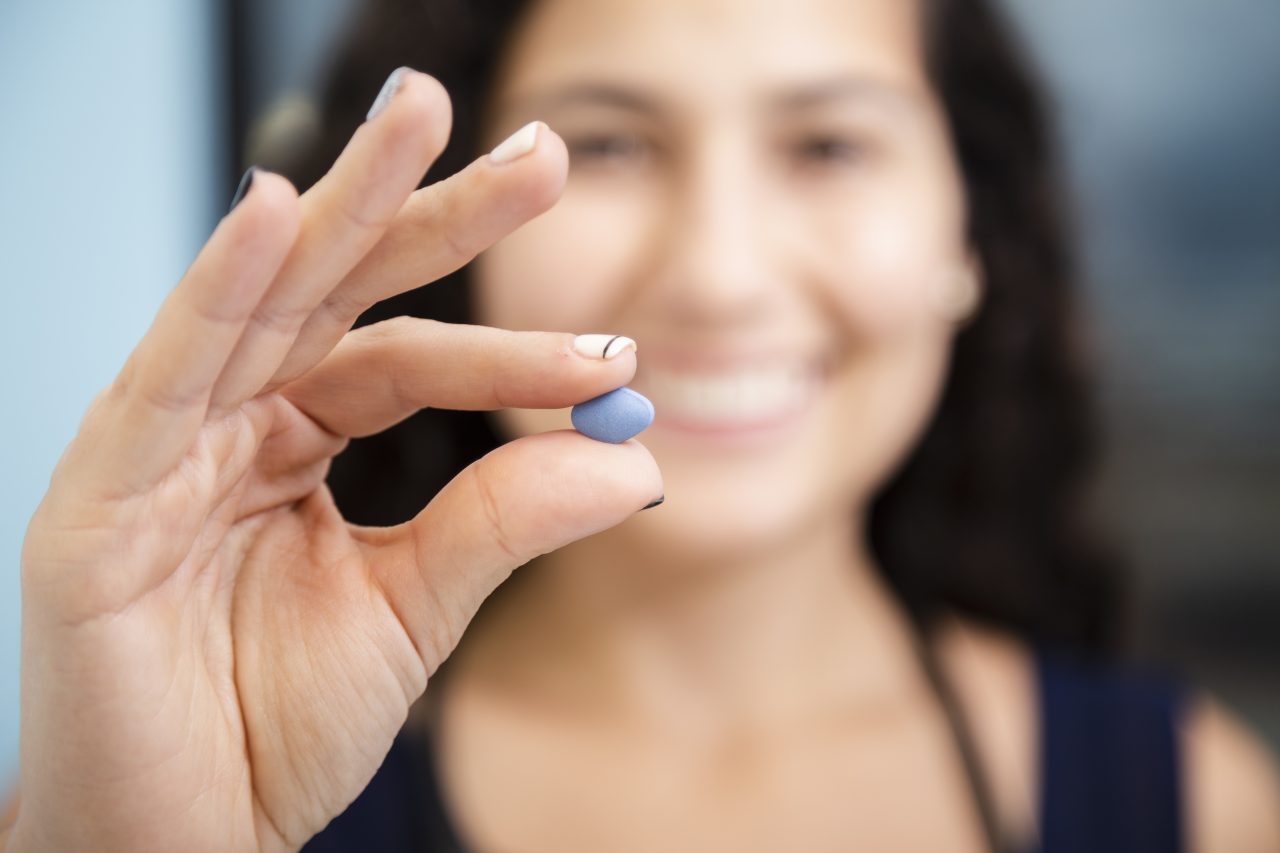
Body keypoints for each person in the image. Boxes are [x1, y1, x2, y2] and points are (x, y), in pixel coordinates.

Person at [4, 0, 1279, 850]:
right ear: (466, 241)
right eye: (607, 145)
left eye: (829, 145)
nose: (717, 276)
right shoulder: (189, 784)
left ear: (968, 238)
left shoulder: (1191, 803)